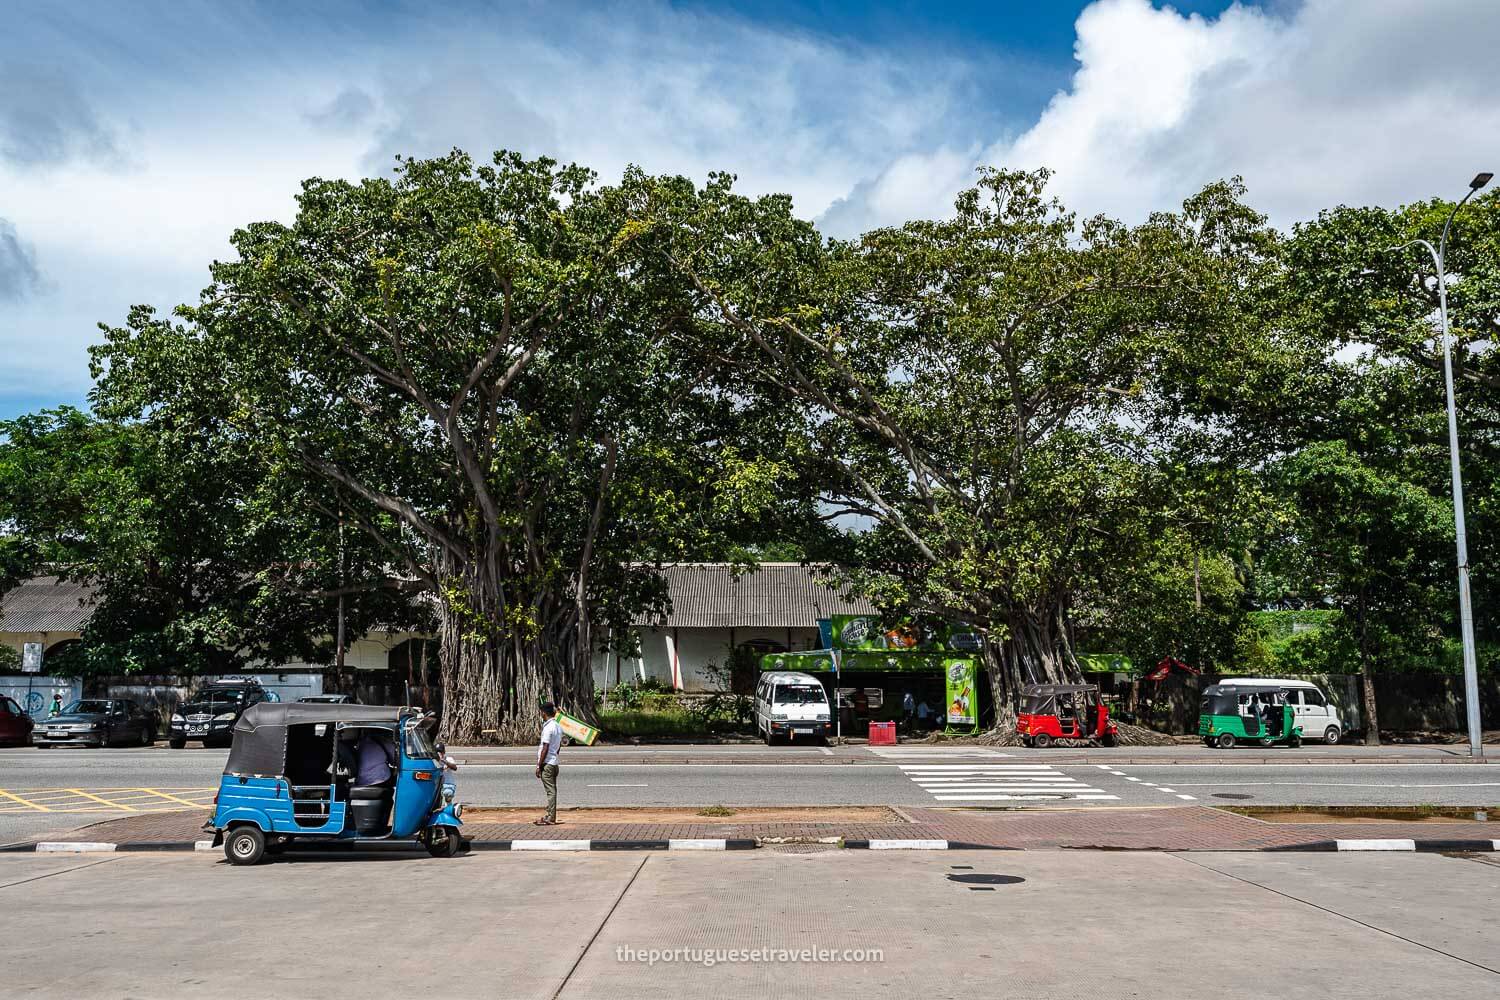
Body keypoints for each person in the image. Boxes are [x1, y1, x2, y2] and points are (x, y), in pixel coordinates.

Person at [535, 702, 563, 826]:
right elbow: (558, 746)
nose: (541, 714)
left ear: (544, 713)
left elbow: (545, 747)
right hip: (554, 762)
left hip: (547, 764)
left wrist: (539, 765)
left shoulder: (548, 728)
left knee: (550, 791)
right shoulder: (558, 726)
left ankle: (551, 817)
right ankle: (549, 814)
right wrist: (555, 756)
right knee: (552, 790)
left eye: (541, 712)